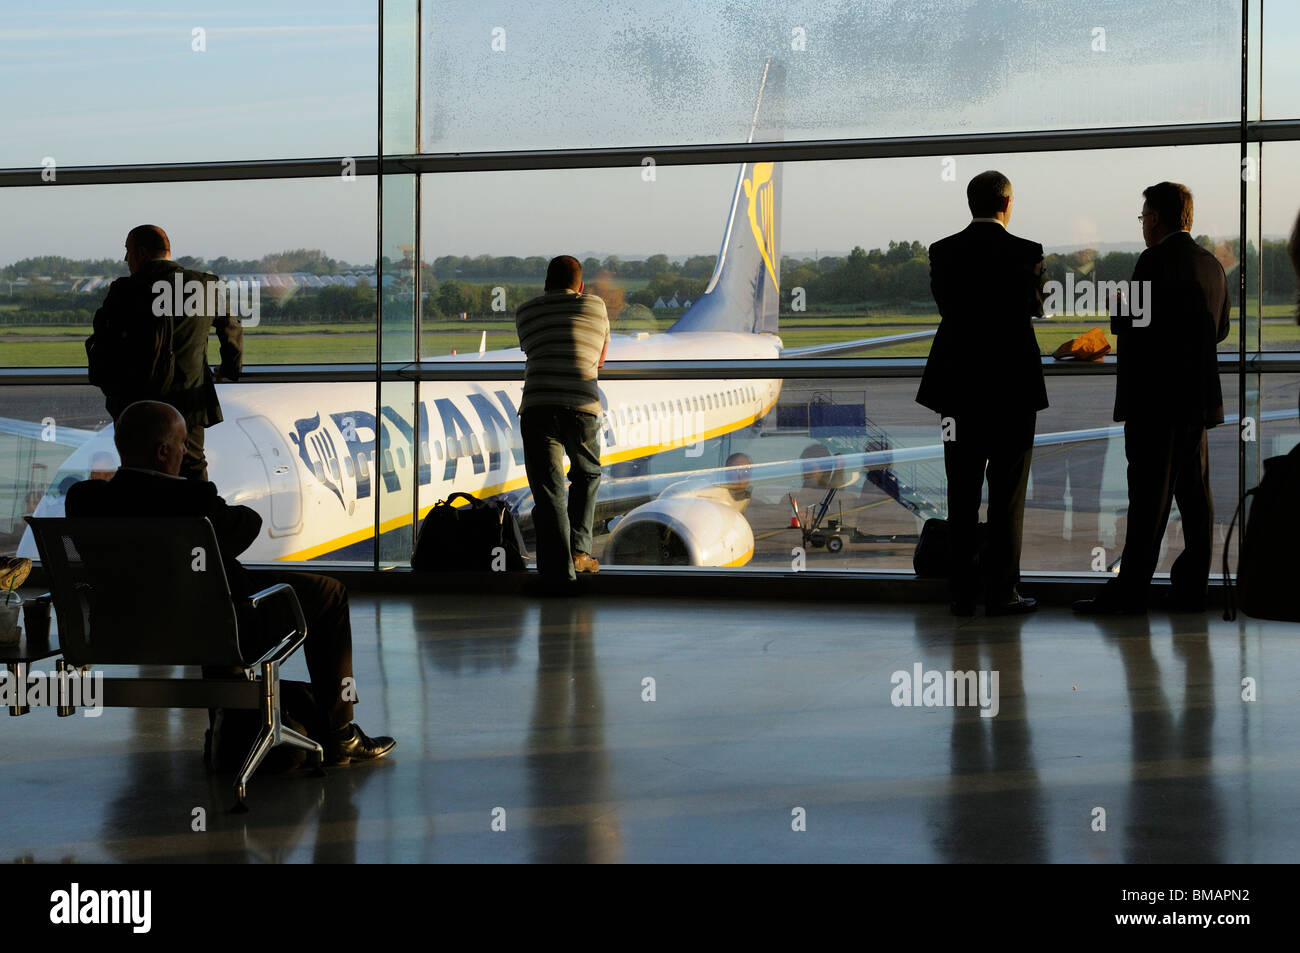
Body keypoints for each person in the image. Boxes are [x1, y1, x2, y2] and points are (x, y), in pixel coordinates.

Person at [65, 400, 395, 765]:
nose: (184, 452)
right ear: (163, 453)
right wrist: (188, 484)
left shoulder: (83, 499)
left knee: (202, 604)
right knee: (329, 594)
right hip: (211, 628)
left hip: (123, 631)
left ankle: (235, 732)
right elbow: (243, 528)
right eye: (181, 446)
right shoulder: (193, 498)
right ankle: (340, 733)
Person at [1074, 182, 1231, 614]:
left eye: (1144, 217)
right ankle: (1191, 591)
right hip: (1196, 404)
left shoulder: (1153, 261)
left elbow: (1138, 327)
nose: (1143, 225)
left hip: (1155, 404)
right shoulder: (1212, 266)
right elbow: (1218, 330)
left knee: (1148, 501)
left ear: (1156, 219)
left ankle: (1129, 594)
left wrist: (1119, 306)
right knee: (1196, 500)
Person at [917, 170, 1047, 616]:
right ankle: (1003, 591)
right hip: (1012, 391)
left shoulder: (943, 251)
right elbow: (1035, 307)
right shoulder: (1027, 252)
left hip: (958, 391)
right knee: (1007, 495)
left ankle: (962, 592)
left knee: (962, 491)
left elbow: (947, 308)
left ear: (969, 204)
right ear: (1007, 205)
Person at [86, 225, 243, 481]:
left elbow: (103, 342)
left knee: (138, 470)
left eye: (127, 251)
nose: (126, 259)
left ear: (142, 253)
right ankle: (197, 517)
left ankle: (150, 520)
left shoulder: (124, 291)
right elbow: (231, 328)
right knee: (192, 464)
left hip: (137, 401)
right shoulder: (203, 285)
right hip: (188, 399)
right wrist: (229, 369)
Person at [515, 256, 610, 591]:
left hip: (537, 406)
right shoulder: (596, 306)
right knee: (586, 475)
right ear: (580, 286)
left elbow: (531, 349)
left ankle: (557, 575)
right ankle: (580, 553)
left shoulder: (526, 311)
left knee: (548, 492)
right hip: (581, 405)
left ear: (545, 284)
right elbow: (599, 357)